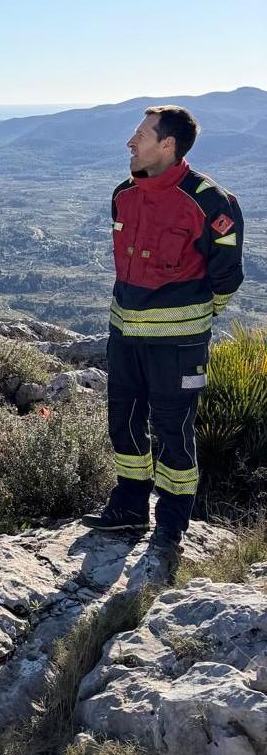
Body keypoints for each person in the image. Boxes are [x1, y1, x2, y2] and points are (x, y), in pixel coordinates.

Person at [83, 105, 244, 558]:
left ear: (167, 145)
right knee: (124, 422)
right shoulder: (124, 194)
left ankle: (172, 524)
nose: (130, 143)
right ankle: (129, 506)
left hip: (179, 344)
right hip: (124, 336)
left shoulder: (212, 202)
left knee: (174, 429)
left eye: (140, 134)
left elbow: (227, 275)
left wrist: (194, 319)